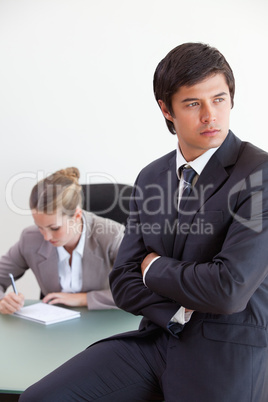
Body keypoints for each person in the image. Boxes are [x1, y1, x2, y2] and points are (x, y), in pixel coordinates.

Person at [20, 43, 268, 402]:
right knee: (39, 398)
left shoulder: (258, 173)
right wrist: (176, 312)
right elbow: (122, 279)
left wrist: (152, 269)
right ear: (166, 110)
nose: (210, 116)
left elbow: (228, 288)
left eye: (219, 99)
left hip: (224, 352)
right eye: (193, 103)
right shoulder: (152, 176)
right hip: (157, 337)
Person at [0, 167, 124, 314]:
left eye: (54, 228)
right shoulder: (30, 239)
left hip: (104, 319)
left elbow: (140, 289)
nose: (46, 237)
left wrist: (84, 299)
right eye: (40, 227)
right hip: (52, 325)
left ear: (77, 215)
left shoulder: (112, 235)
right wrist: (4, 301)